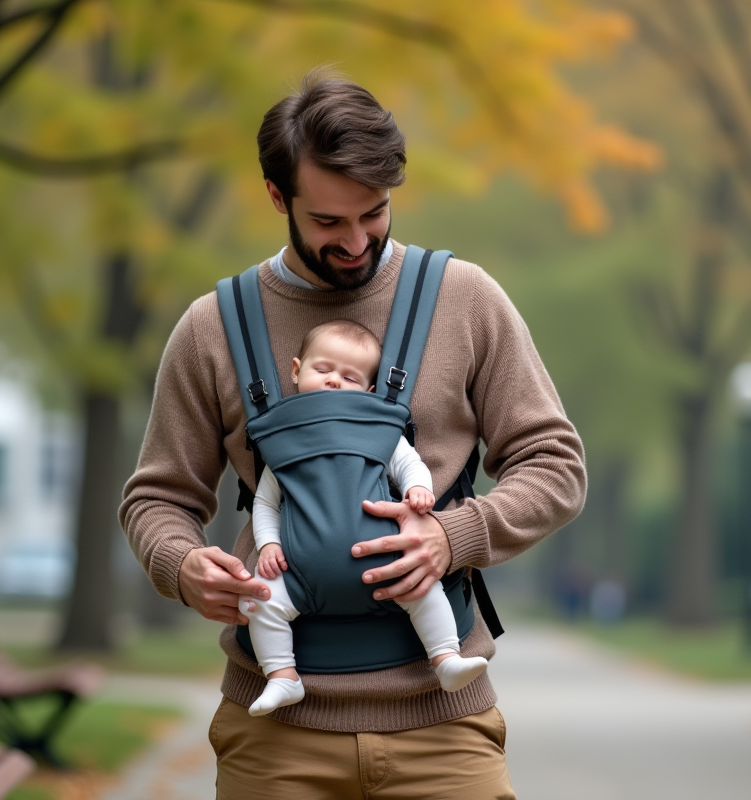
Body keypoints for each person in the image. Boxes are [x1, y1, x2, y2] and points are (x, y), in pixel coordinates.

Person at [120, 68, 586, 799]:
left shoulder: (466, 301)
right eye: (329, 221)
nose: (358, 240)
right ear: (279, 198)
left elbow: (555, 465)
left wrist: (454, 535)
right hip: (274, 740)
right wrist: (181, 564)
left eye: (374, 212)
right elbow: (155, 497)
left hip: (444, 729)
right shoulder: (211, 328)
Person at [244, 318, 489, 717]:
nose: (335, 382)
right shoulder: (284, 440)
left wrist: (417, 489)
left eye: (350, 377)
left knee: (423, 587)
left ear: (370, 391)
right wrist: (268, 543)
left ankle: (446, 659)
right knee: (263, 600)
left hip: (386, 561)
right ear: (295, 370)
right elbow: (266, 502)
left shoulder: (377, 432)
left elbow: (409, 462)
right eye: (322, 370)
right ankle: (281, 676)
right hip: (300, 573)